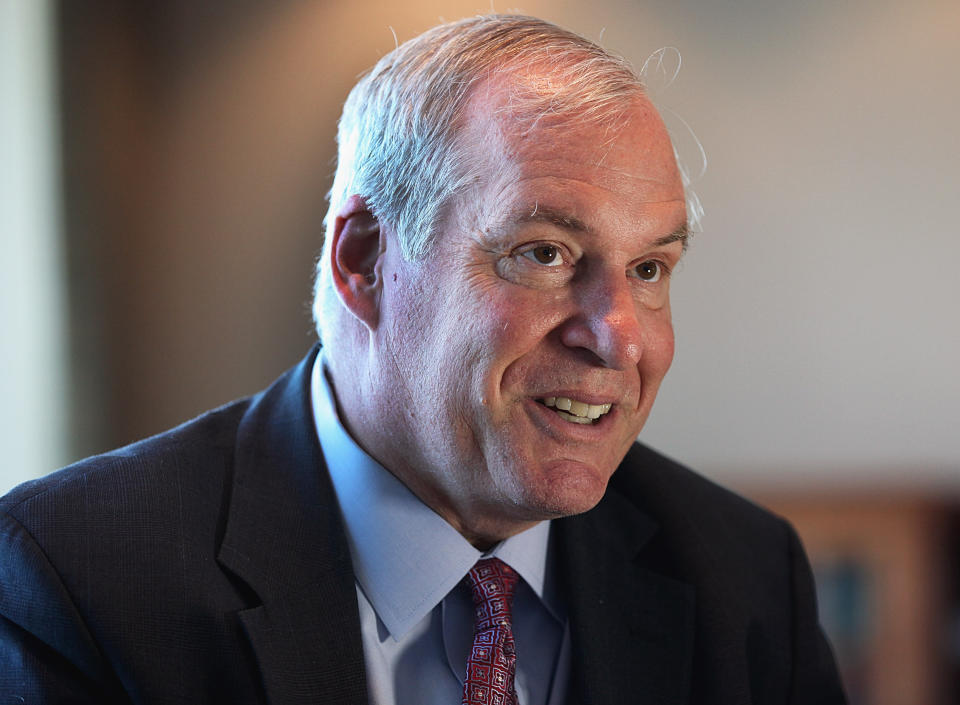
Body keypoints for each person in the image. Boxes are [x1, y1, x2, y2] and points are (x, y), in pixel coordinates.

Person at [0, 14, 846, 705]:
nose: (617, 336)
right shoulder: (73, 577)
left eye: (650, 268)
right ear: (365, 259)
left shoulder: (746, 579)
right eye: (544, 253)